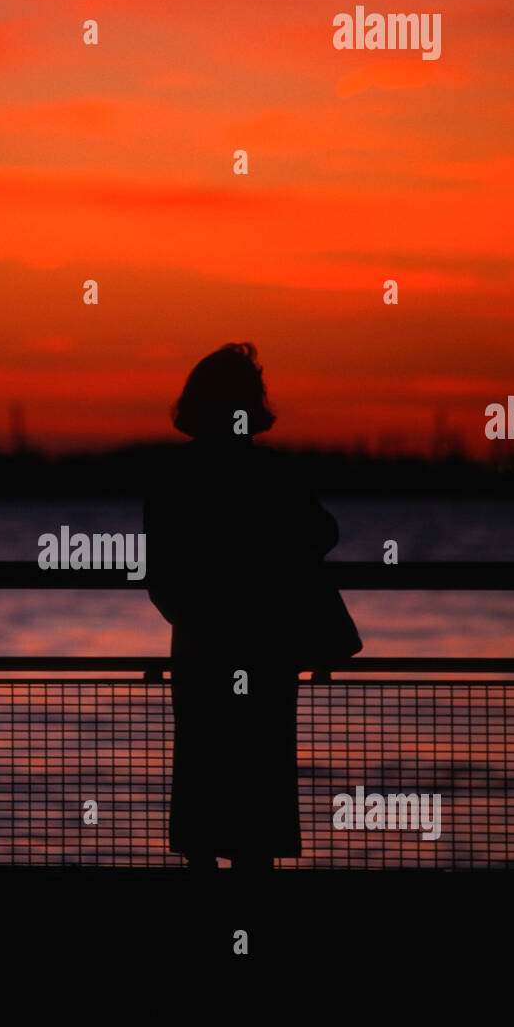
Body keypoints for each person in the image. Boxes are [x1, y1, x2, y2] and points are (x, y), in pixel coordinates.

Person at [143, 344, 360, 872]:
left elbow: (161, 573)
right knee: (259, 782)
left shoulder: (173, 476)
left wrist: (195, 613)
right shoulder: (272, 473)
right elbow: (322, 530)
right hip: (266, 645)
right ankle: (254, 923)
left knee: (201, 773)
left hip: (200, 646)